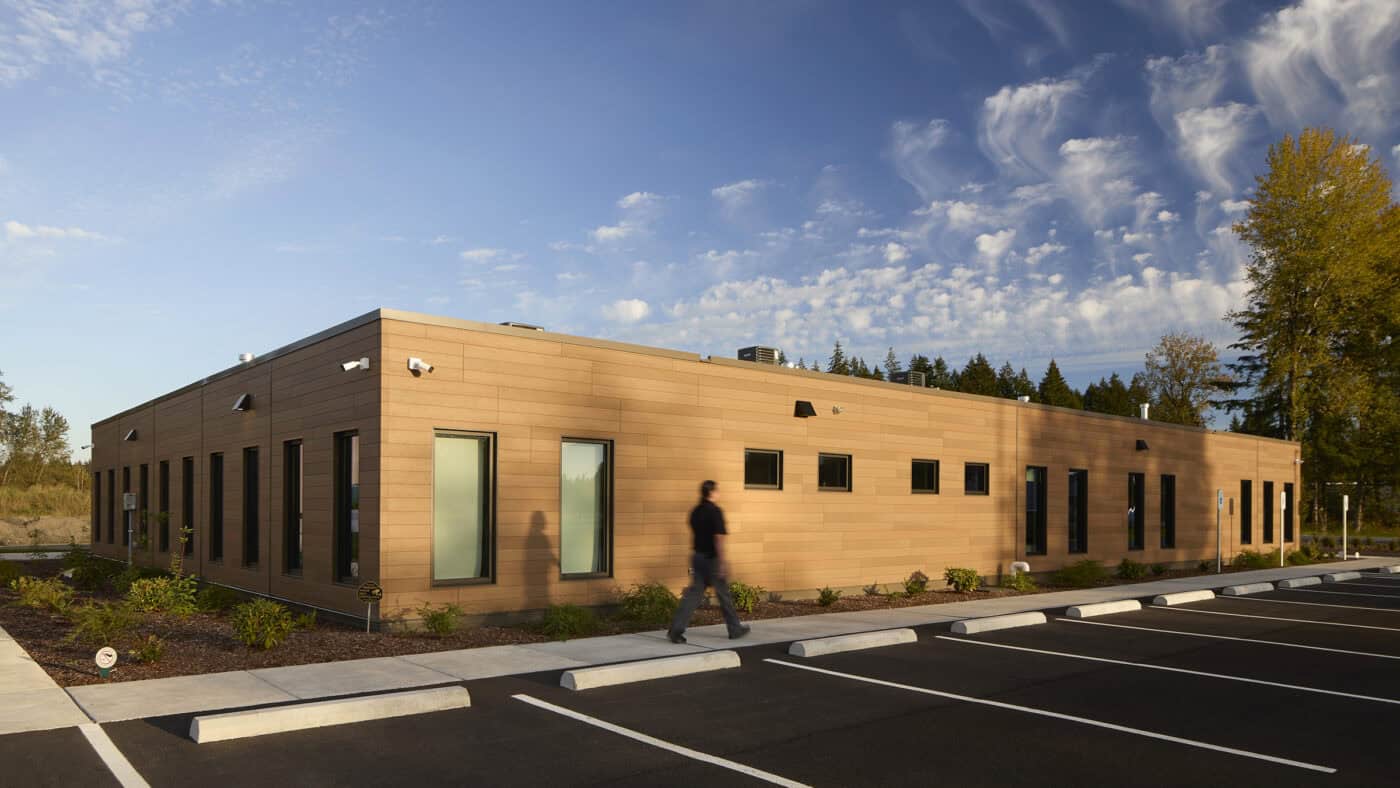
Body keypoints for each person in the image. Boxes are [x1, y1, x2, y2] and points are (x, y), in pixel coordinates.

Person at [668, 480, 751, 643]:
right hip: (711, 559)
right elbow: (718, 538)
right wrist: (722, 562)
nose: (718, 493)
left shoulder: (695, 511)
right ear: (711, 492)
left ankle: (675, 630)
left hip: (697, 557)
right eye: (717, 490)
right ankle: (735, 629)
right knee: (724, 595)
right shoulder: (715, 511)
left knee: (693, 596)